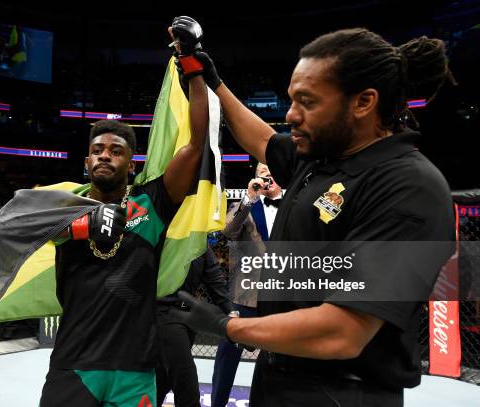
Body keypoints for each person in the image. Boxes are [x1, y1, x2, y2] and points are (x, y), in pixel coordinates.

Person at [171, 17, 456, 406]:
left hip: (342, 392)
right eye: (292, 99)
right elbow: (263, 139)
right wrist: (212, 79)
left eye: (307, 101)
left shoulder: (408, 186)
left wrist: (228, 327)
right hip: (279, 378)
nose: (291, 114)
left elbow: (344, 330)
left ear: (363, 102)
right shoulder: (322, 156)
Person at [39, 21, 210, 407]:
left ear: (131, 164)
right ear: (86, 161)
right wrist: (83, 225)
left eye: (116, 151)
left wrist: (193, 66)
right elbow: (17, 223)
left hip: (135, 369)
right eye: (98, 149)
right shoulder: (62, 205)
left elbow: (195, 145)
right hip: (73, 365)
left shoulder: (150, 204)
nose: (105, 155)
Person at [211, 163, 283, 407]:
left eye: (271, 170)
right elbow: (228, 230)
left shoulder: (294, 205)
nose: (267, 174)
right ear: (256, 176)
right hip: (246, 296)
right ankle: (218, 403)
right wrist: (249, 198)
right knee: (227, 357)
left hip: (281, 297)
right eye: (263, 170)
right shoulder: (245, 206)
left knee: (276, 360)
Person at [156, 245, 233, 407]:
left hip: (185, 316)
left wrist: (232, 315)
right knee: (186, 385)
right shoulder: (159, 228)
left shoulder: (198, 238)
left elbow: (214, 277)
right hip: (160, 314)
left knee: (161, 379)